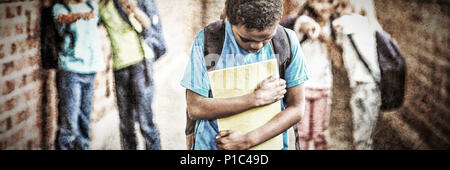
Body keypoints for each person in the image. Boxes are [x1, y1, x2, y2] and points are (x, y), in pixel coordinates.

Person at [181, 0, 309, 150]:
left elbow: (296, 108)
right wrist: (256, 98)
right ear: (229, 19)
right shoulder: (208, 41)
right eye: (245, 39)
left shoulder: (286, 42)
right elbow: (195, 107)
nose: (257, 46)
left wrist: (248, 140)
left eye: (266, 38)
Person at [99, 0, 167, 150]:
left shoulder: (136, 2)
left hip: (141, 65)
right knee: (125, 124)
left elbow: (148, 25)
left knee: (145, 121)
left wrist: (133, 10)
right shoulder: (104, 7)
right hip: (120, 68)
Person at [280, 0, 335, 150]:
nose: (324, 6)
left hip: (323, 86)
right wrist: (314, 30)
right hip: (302, 87)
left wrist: (328, 39)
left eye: (329, 2)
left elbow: (338, 60)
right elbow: (306, 26)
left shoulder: (333, 25)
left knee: (320, 135)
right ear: (310, 2)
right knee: (303, 135)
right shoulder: (302, 19)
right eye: (320, 2)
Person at [53, 0, 105, 150]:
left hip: (90, 69)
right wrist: (80, 15)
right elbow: (62, 19)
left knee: (84, 120)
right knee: (69, 122)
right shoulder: (60, 8)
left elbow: (99, 22)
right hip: (71, 70)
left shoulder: (91, 6)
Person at [330, 0, 382, 150]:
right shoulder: (366, 24)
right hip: (365, 85)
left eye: (344, 5)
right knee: (364, 137)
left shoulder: (355, 21)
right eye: (337, 7)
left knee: (362, 139)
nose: (339, 10)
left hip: (365, 86)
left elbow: (335, 25)